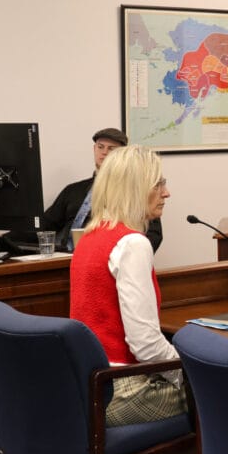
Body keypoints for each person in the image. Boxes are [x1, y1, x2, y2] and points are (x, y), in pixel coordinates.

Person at [69, 145, 185, 426]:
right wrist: (187, 371)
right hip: (120, 389)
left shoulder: (89, 237)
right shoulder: (132, 243)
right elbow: (145, 345)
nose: (166, 193)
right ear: (136, 188)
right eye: (158, 184)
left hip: (85, 386)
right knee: (221, 391)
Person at [43, 128, 163, 252]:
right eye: (100, 147)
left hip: (108, 259)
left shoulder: (132, 192)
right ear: (94, 149)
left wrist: (121, 256)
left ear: (122, 155)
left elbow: (154, 235)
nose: (104, 152)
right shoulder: (73, 190)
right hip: (64, 257)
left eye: (111, 149)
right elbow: (46, 225)